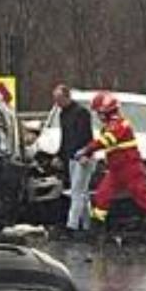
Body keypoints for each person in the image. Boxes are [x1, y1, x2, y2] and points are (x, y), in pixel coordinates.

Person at [75, 91, 146, 231]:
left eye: (99, 112)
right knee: (102, 196)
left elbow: (106, 141)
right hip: (116, 170)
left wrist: (86, 150)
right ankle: (96, 228)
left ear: (106, 111)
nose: (97, 115)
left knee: (143, 197)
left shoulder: (120, 125)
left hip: (130, 169)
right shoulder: (110, 126)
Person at [54, 84, 95, 233]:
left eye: (59, 99)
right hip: (71, 157)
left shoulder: (81, 113)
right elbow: (64, 138)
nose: (57, 103)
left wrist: (86, 154)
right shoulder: (63, 114)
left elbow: (87, 136)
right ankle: (87, 225)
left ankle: (71, 225)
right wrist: (60, 155)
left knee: (76, 192)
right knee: (81, 193)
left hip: (82, 157)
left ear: (67, 97)